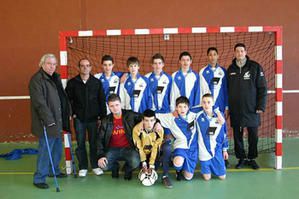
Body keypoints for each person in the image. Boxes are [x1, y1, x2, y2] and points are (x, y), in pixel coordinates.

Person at [29, 53, 71, 189]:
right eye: (49, 63)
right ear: (42, 64)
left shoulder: (55, 77)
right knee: (45, 149)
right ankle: (39, 178)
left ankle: (54, 171)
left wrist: (67, 113)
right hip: (47, 122)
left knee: (57, 148)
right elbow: (39, 103)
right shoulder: (37, 80)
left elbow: (62, 97)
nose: (52, 66)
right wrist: (49, 120)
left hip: (58, 120)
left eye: (54, 64)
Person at [227, 43, 267, 169]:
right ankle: (241, 159)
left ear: (245, 52)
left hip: (252, 109)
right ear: (234, 53)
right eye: (237, 51)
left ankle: (252, 158)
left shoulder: (255, 67)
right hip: (236, 109)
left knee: (253, 135)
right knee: (237, 137)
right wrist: (228, 108)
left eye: (242, 51)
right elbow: (227, 90)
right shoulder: (231, 69)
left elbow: (262, 88)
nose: (239, 53)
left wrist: (261, 105)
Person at [66, 58, 106, 177]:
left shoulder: (96, 82)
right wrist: (71, 113)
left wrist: (102, 117)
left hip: (94, 119)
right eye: (82, 66)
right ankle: (83, 166)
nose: (85, 68)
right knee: (80, 143)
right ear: (79, 67)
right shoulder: (72, 83)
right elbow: (68, 100)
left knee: (94, 143)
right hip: (79, 119)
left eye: (87, 65)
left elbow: (101, 100)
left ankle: (94, 165)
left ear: (91, 68)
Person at [97, 94, 141, 180]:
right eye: (112, 106)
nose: (115, 108)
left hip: (129, 148)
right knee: (102, 165)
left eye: (117, 105)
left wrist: (157, 122)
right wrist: (100, 156)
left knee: (135, 162)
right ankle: (115, 166)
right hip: (112, 149)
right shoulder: (105, 121)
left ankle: (127, 168)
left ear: (121, 104)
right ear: (108, 107)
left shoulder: (130, 115)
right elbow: (99, 139)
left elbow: (146, 118)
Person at [145, 53, 173, 188]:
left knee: (166, 146)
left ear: (163, 65)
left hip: (166, 117)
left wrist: (172, 116)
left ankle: (166, 175)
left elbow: (172, 96)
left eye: (159, 63)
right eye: (154, 63)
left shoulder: (169, 78)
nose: (157, 66)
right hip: (151, 118)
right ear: (151, 65)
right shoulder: (145, 79)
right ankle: (152, 170)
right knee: (151, 145)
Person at [199, 47, 230, 168]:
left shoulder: (223, 71)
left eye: (214, 54)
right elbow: (201, 91)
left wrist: (226, 107)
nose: (212, 57)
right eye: (210, 55)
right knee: (209, 131)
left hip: (220, 107)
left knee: (222, 131)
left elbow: (226, 90)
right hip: (207, 108)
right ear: (208, 57)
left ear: (218, 56)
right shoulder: (202, 72)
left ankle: (223, 154)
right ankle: (209, 155)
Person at [156, 96, 198, 181]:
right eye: (180, 107)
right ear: (176, 108)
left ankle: (184, 167)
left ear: (188, 107)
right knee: (178, 163)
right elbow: (154, 115)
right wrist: (157, 123)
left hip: (192, 148)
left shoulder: (194, 114)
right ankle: (178, 170)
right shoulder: (171, 117)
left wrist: (217, 112)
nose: (182, 109)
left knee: (188, 177)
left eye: (184, 107)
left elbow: (209, 106)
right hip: (180, 146)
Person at [197, 94, 228, 180]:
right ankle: (206, 169)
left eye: (208, 102)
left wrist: (224, 150)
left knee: (222, 177)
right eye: (204, 102)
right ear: (201, 104)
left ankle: (216, 166)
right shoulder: (198, 115)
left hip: (216, 149)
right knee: (207, 178)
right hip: (203, 151)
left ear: (213, 103)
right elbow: (187, 109)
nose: (206, 105)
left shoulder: (220, 117)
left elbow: (224, 133)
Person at [133, 109, 164, 183]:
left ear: (155, 120)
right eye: (146, 120)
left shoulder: (159, 130)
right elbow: (139, 147)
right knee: (137, 165)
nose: (149, 123)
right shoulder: (137, 129)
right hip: (141, 153)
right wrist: (144, 163)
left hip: (153, 153)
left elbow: (156, 147)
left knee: (153, 169)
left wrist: (151, 165)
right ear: (142, 120)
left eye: (151, 120)